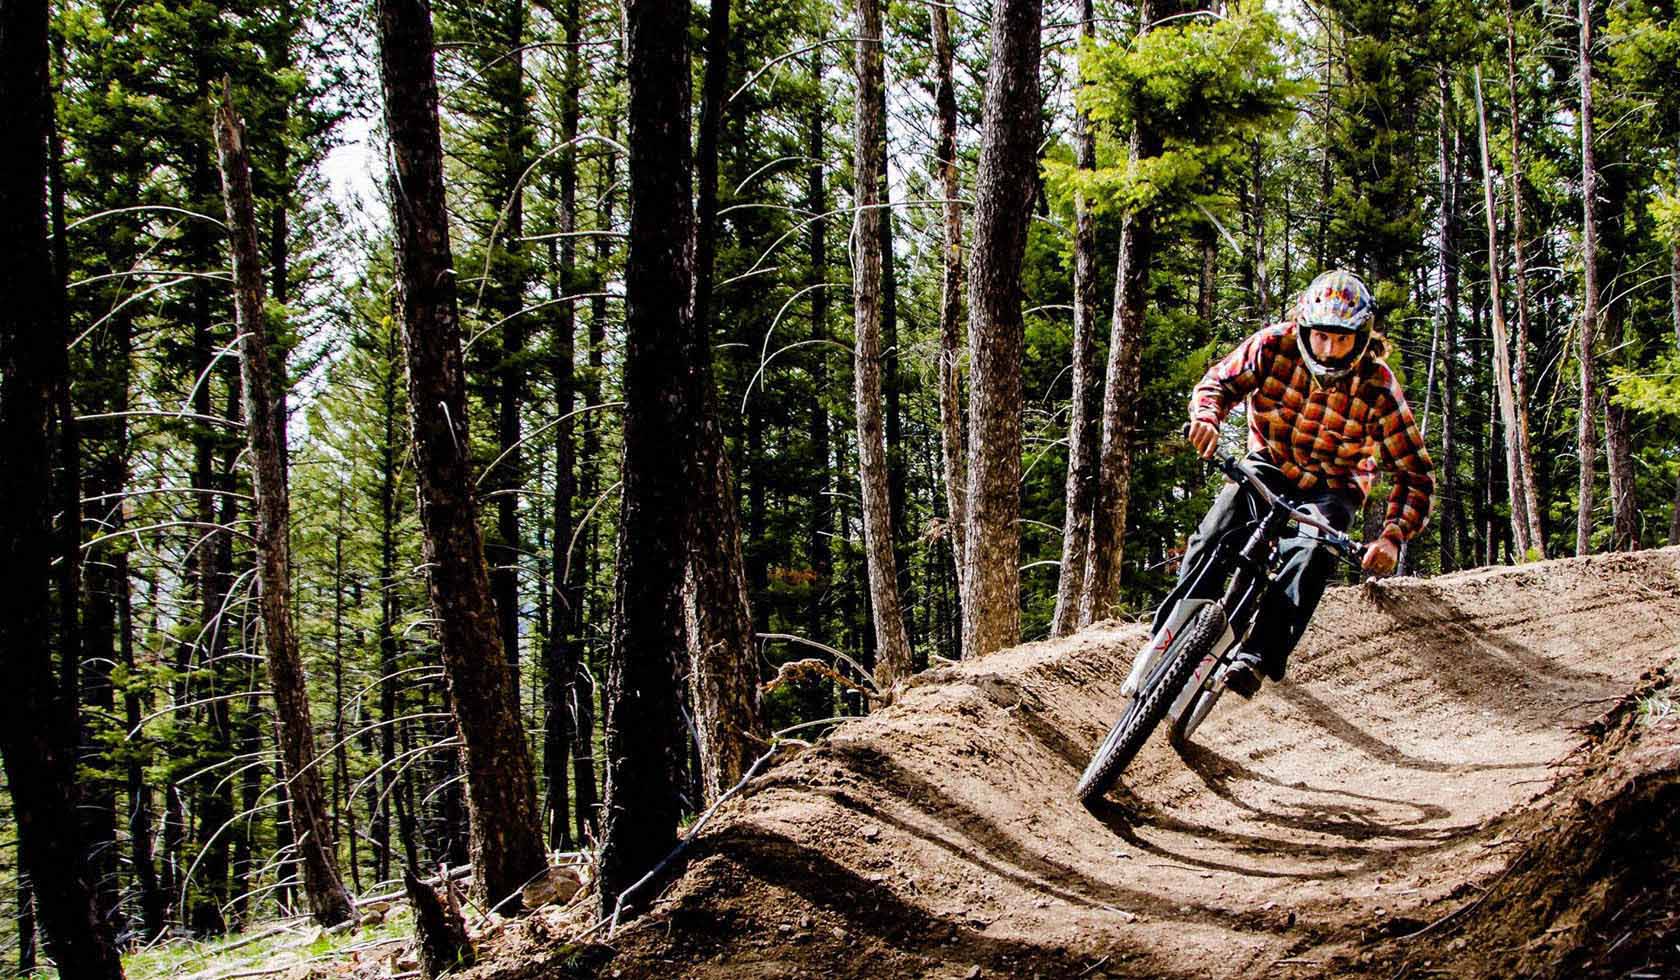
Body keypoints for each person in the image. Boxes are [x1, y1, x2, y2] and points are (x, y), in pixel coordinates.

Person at [1167, 269, 1434, 698]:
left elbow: (1415, 473)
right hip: (1269, 463)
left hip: (1335, 484)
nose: (1329, 351)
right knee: (1216, 531)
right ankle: (1173, 628)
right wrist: (1207, 419)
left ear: (1363, 336)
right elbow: (1218, 383)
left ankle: (1255, 657)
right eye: (1321, 337)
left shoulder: (1379, 387)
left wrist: (1392, 536)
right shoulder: (1272, 346)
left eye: (1343, 339)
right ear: (1304, 328)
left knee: (1312, 550)